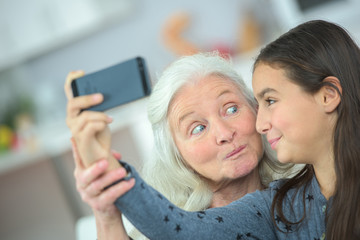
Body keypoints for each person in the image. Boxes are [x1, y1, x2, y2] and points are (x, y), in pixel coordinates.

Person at [65, 52, 291, 239]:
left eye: (231, 109)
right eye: (198, 128)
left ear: (256, 109)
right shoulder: (164, 227)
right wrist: (105, 211)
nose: (224, 133)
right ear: (177, 154)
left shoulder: (304, 191)